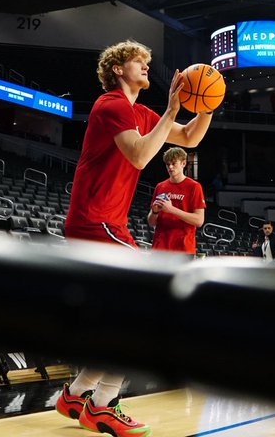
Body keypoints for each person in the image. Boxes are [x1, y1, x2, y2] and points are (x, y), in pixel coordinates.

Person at [56, 40, 212, 437]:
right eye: (138, 61)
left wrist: (207, 105)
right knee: (150, 304)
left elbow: (189, 137)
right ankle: (102, 405)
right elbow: (140, 155)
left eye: (147, 61)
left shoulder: (140, 112)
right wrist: (172, 109)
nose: (146, 66)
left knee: (125, 317)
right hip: (95, 222)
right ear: (117, 69)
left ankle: (77, 394)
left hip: (108, 225)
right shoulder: (110, 105)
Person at [147, 147, 206, 256]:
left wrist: (171, 209)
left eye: (174, 163)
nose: (170, 167)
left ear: (183, 163)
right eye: (168, 164)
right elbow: (151, 223)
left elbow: (199, 220)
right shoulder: (160, 186)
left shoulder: (194, 187)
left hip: (183, 248)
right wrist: (155, 212)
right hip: (160, 247)